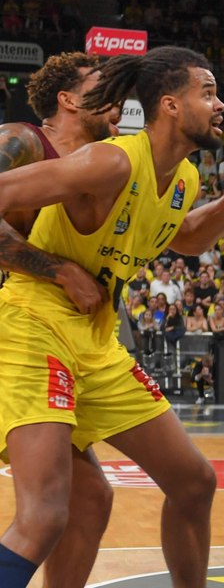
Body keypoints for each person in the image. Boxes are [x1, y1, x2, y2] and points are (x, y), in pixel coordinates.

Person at [0, 46, 224, 587]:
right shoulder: (109, 160)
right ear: (170, 105)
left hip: (96, 342)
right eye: (208, 93)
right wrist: (57, 269)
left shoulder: (184, 178)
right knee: (44, 515)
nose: (221, 104)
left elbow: (190, 237)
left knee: (191, 482)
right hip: (33, 326)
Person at [0, 51, 120, 588]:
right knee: (45, 512)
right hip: (16, 327)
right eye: (102, 84)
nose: (118, 94)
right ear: (68, 100)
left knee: (89, 496)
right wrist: (58, 271)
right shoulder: (22, 141)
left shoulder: (103, 164)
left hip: (36, 333)